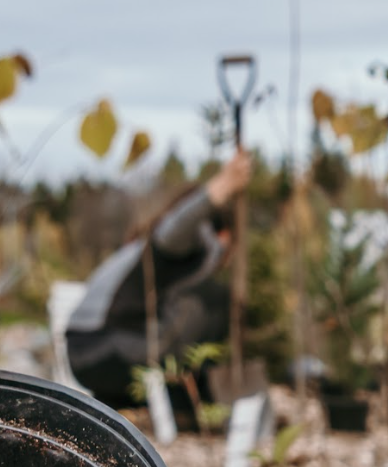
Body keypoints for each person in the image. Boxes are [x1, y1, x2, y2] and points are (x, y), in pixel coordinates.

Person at [64, 147, 251, 428]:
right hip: (100, 349)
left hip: (91, 348)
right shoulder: (181, 243)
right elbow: (177, 225)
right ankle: (188, 403)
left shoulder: (153, 250)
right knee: (208, 301)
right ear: (222, 234)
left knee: (195, 303)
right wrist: (223, 185)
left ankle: (177, 402)